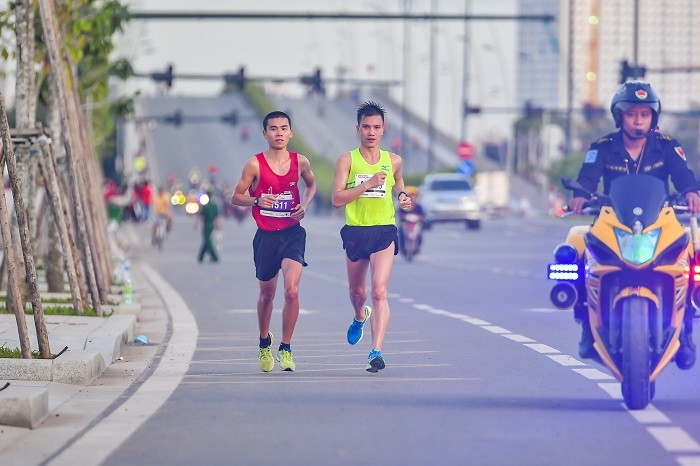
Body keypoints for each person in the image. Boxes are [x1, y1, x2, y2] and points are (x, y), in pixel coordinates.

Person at [569, 80, 700, 369]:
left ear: (653, 117)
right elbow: (588, 177)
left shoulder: (667, 146)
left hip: (659, 219)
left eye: (644, 114)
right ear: (620, 117)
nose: (638, 120)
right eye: (631, 114)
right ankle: (586, 326)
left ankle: (687, 332)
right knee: (577, 247)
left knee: (692, 254)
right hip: (612, 220)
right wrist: (580, 195)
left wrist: (691, 192)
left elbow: (682, 175)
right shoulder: (601, 147)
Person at [231, 111, 316, 373]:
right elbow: (236, 197)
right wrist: (256, 200)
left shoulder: (300, 162)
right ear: (264, 133)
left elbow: (311, 186)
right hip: (266, 236)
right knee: (267, 295)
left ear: (290, 133)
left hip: (292, 233)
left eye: (284, 128)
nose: (279, 133)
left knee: (291, 291)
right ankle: (264, 341)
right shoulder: (254, 165)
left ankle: (286, 348)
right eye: (273, 129)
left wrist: (305, 205)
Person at [331, 101, 412, 373]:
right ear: (358, 129)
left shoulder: (394, 161)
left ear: (383, 129)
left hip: (384, 230)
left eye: (377, 127)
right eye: (366, 126)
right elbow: (336, 199)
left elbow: (398, 182)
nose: (371, 132)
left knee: (379, 291)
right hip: (355, 231)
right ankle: (359, 315)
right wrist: (366, 185)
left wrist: (402, 196)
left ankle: (376, 351)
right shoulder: (347, 160)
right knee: (358, 293)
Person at [396, 185, 425, 256]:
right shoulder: (403, 205)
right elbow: (399, 213)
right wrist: (403, 216)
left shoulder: (418, 206)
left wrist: (421, 218)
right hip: (405, 223)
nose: (412, 197)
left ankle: (418, 247)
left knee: (420, 231)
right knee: (400, 230)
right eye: (410, 195)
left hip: (415, 223)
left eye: (414, 195)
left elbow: (423, 214)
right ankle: (402, 248)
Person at [195, 189, 222, 263]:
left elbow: (201, 217)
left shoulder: (205, 206)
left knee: (208, 241)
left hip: (206, 225)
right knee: (206, 240)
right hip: (212, 224)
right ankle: (200, 257)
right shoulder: (214, 205)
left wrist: (196, 225)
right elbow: (217, 217)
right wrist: (219, 225)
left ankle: (214, 257)